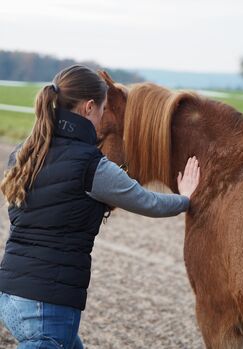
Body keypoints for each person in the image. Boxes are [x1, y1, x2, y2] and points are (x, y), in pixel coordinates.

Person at [0, 65, 200, 349]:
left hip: (10, 296)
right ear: (89, 107)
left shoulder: (24, 152)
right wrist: (185, 198)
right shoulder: (91, 165)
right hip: (47, 310)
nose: (103, 117)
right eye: (104, 109)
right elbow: (147, 201)